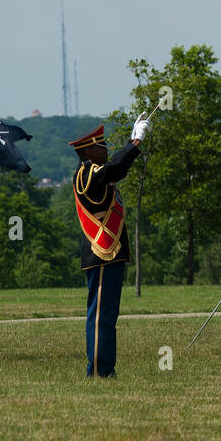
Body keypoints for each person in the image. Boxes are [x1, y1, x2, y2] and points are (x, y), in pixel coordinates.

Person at [69, 119, 146, 377]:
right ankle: (100, 370)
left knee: (107, 315)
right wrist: (135, 143)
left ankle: (104, 367)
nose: (106, 149)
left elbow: (116, 170)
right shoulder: (85, 173)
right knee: (101, 315)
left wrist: (131, 145)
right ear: (89, 151)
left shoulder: (95, 172)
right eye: (102, 145)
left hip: (108, 254)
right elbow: (112, 170)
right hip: (101, 252)